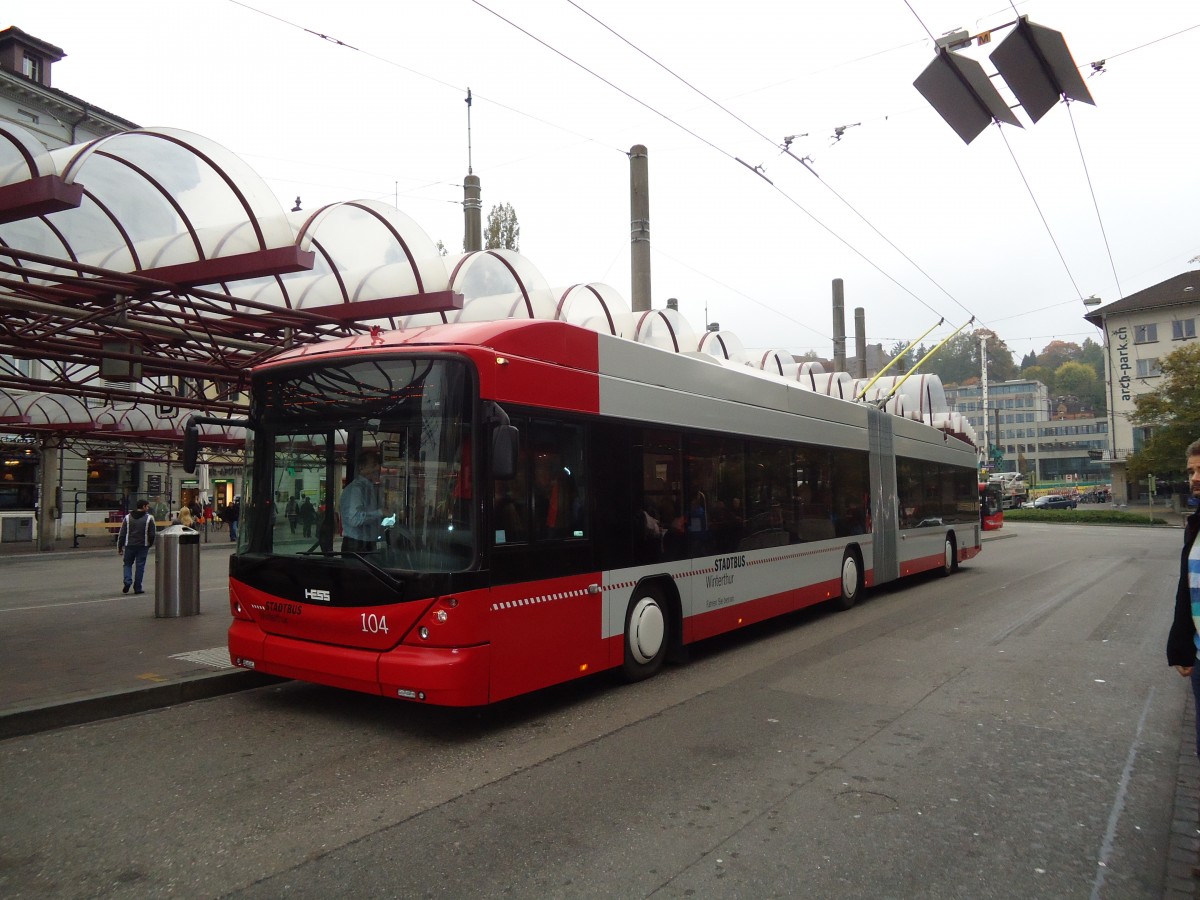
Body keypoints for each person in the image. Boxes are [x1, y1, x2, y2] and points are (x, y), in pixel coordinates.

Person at [1167, 438, 1200, 758]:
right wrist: (1182, 646)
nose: (1195, 478)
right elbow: (1187, 590)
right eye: (1192, 471)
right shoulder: (1195, 524)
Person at [339, 449, 395, 553]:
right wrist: (380, 513)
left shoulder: (370, 488)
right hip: (356, 546)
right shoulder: (356, 489)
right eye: (374, 464)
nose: (378, 468)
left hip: (366, 544)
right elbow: (354, 519)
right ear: (361, 468)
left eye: (378, 464)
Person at [117, 499, 157, 595]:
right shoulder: (149, 518)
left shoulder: (127, 517)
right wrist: (150, 543)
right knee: (140, 566)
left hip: (129, 545)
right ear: (143, 507)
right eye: (147, 506)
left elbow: (122, 533)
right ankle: (137, 587)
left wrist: (120, 546)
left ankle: (127, 581)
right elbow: (152, 534)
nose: (148, 508)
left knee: (127, 564)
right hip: (143, 545)